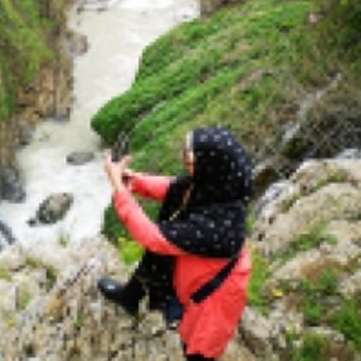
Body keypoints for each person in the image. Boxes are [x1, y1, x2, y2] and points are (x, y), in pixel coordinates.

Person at [99, 126, 253, 361]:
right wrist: (135, 181)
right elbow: (174, 187)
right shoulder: (217, 187)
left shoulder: (216, 226)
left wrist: (120, 191)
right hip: (200, 282)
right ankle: (136, 298)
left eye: (191, 158)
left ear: (210, 167)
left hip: (211, 305)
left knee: (197, 351)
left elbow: (151, 237)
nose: (185, 159)